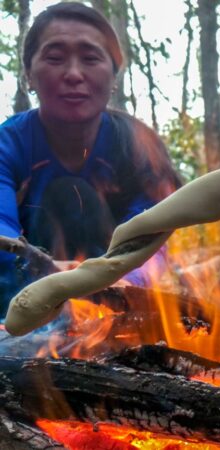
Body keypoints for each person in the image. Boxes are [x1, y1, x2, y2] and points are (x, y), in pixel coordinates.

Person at [0, 2, 180, 318]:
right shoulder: (10, 143)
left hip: (116, 302)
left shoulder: (135, 144)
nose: (73, 74)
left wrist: (121, 283)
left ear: (113, 77)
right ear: (29, 74)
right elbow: (3, 241)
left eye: (91, 58)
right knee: (68, 195)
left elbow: (153, 238)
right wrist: (51, 279)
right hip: (25, 303)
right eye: (54, 58)